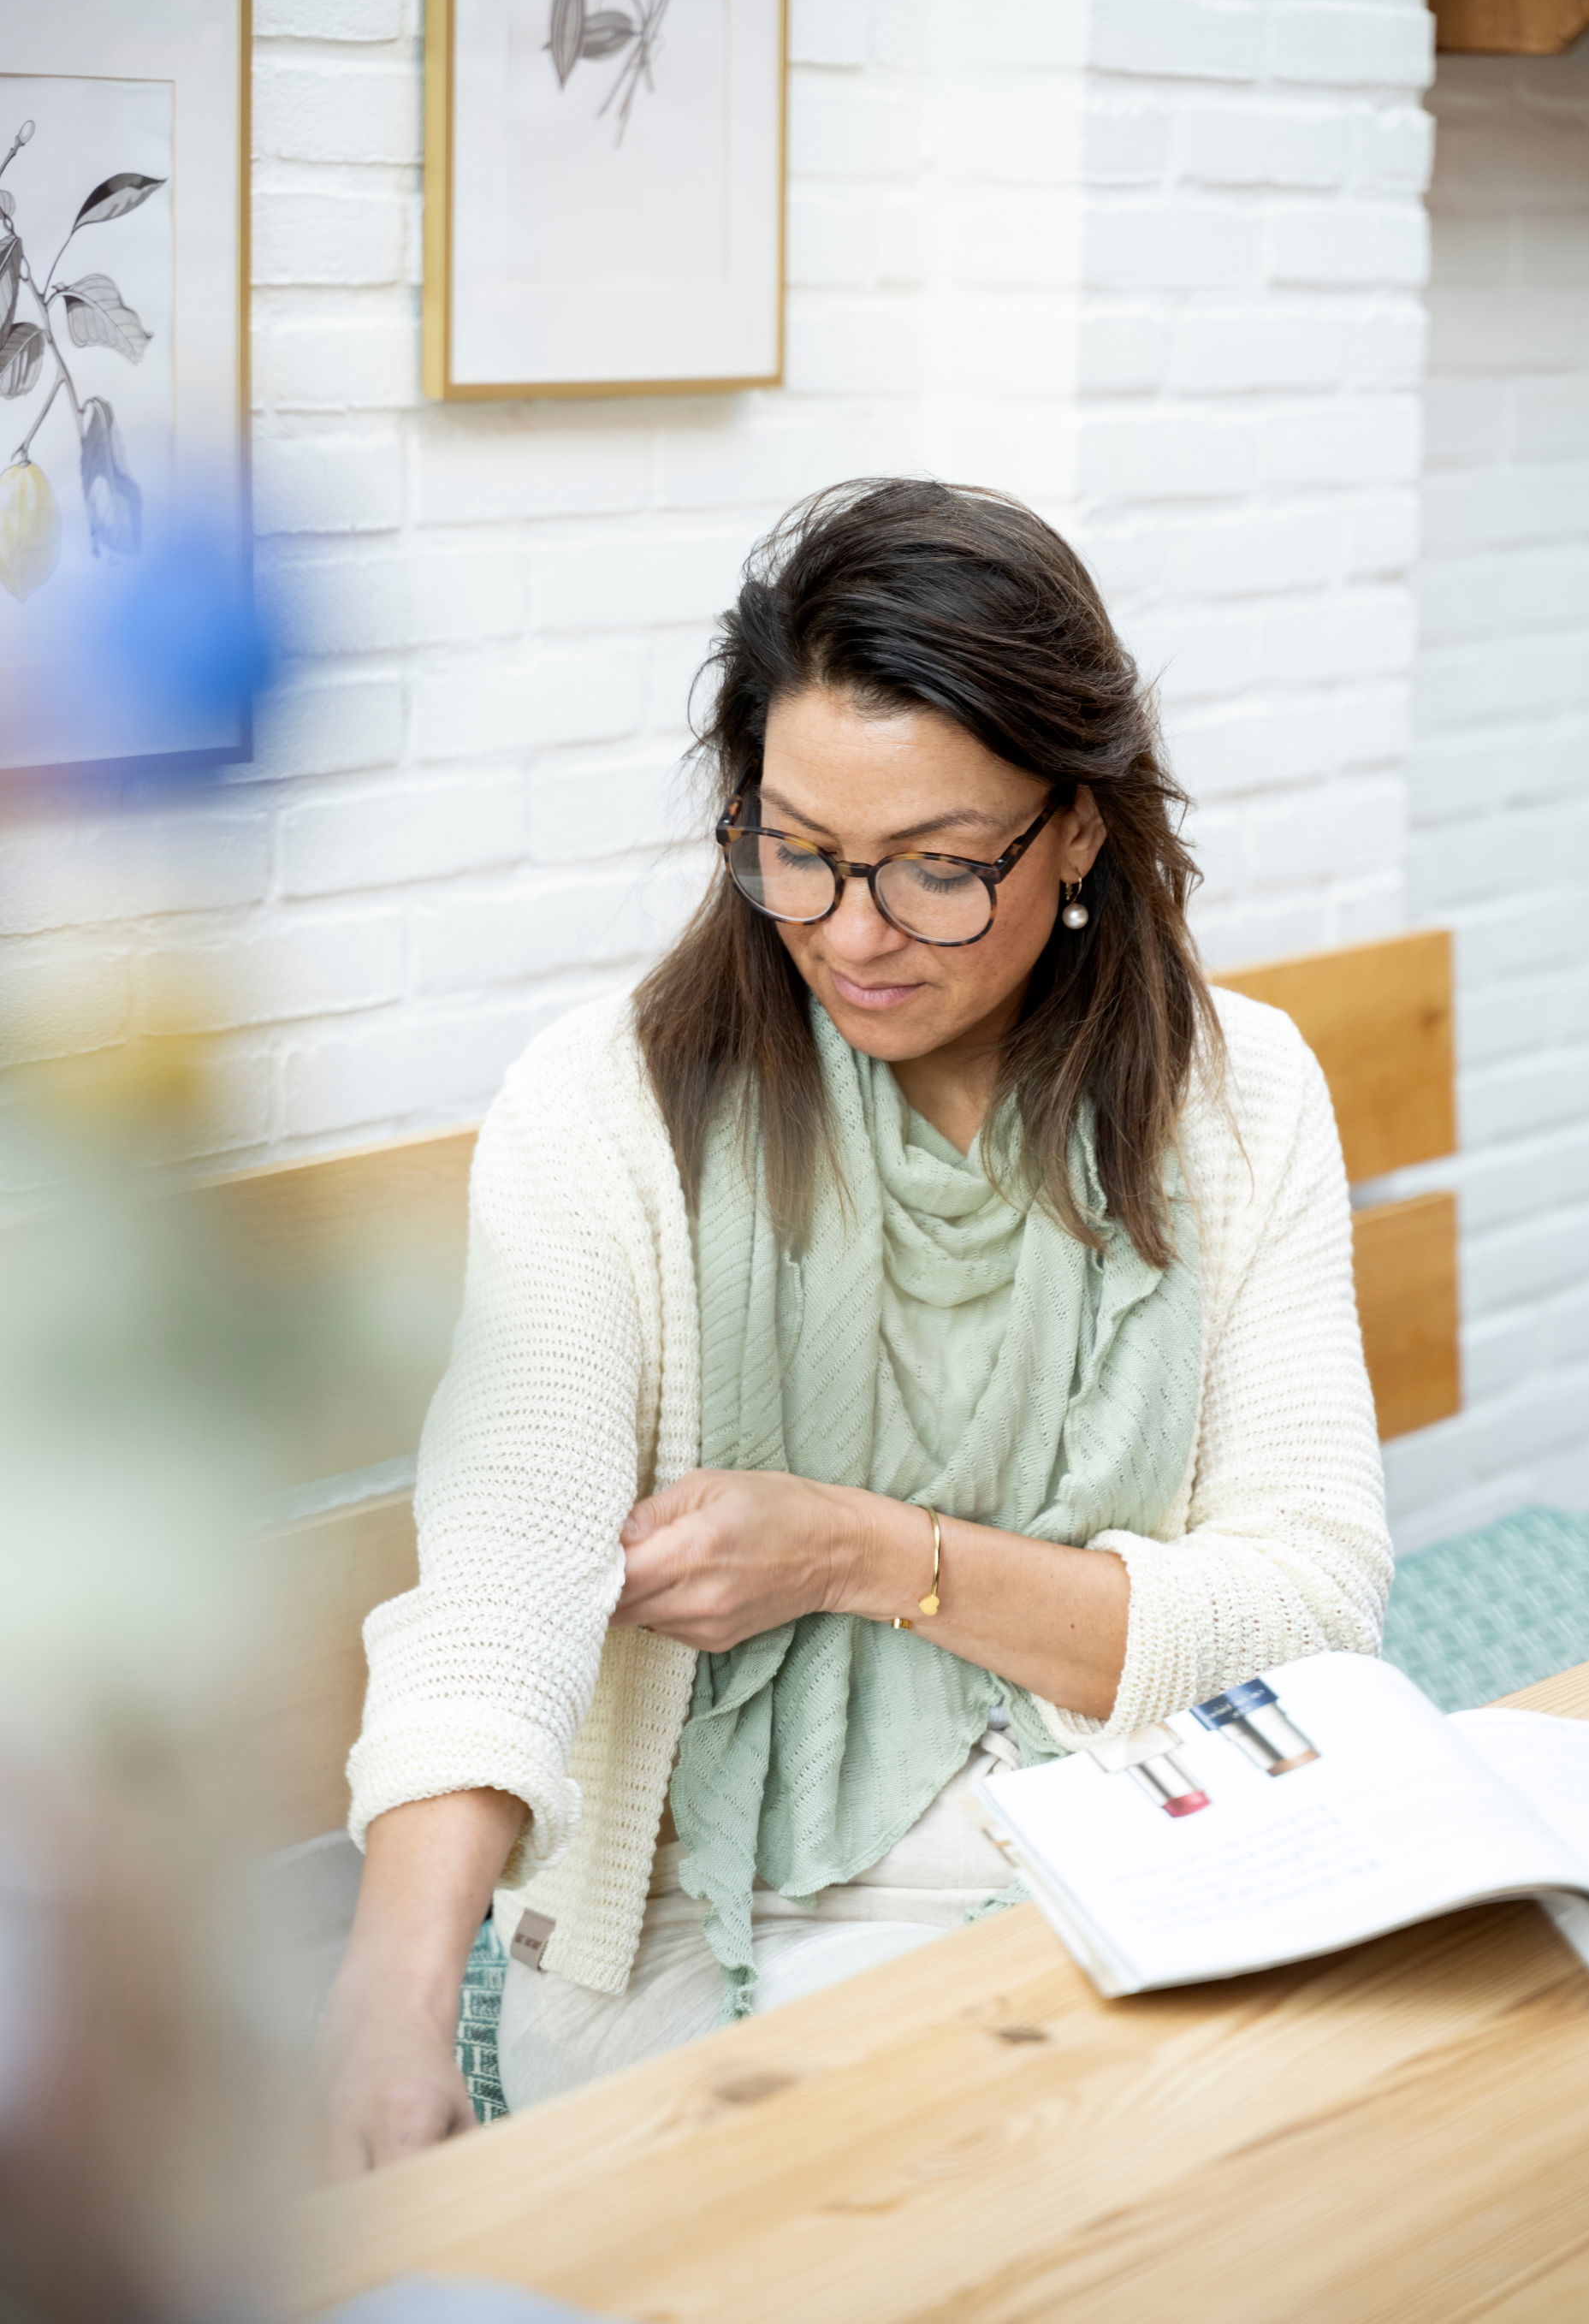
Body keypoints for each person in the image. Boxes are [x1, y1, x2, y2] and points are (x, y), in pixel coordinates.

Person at [318, 481, 1390, 2175]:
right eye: (797, 851)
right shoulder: (606, 1114)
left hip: (1149, 1856)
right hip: (704, 1924)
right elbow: (506, 1575)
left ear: (1084, 826)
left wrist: (869, 1554)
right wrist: (386, 2005)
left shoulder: (1237, 1097)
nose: (851, 932)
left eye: (940, 870)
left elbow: (1308, 1601)